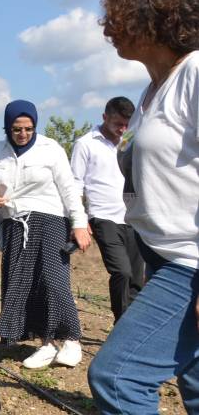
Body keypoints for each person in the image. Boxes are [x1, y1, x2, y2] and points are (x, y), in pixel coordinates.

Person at [88, 0, 199, 413]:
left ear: (153, 18)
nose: (108, 29)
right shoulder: (152, 90)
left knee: (117, 377)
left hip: (190, 263)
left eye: (118, 16)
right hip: (160, 253)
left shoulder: (194, 74)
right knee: (194, 384)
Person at [0, 100, 91, 369]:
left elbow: (69, 189)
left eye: (28, 128)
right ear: (7, 127)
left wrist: (79, 223)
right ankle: (46, 343)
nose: (23, 134)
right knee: (22, 283)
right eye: (17, 129)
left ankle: (72, 338)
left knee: (53, 278)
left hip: (50, 219)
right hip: (16, 222)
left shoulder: (50, 149)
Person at [70, 96, 143, 322]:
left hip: (133, 216)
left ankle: (133, 327)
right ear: (104, 117)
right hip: (103, 217)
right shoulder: (86, 144)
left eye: (126, 125)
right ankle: (122, 325)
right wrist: (79, 222)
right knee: (121, 272)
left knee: (137, 280)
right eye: (117, 124)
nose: (122, 129)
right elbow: (75, 184)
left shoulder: (132, 141)